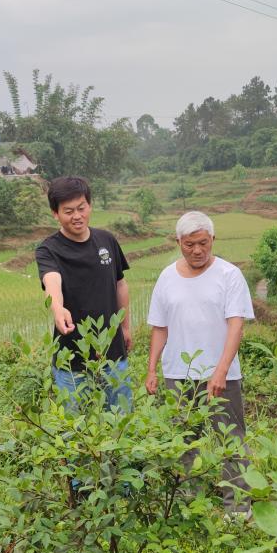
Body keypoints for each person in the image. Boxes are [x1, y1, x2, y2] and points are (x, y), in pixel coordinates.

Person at [146, 211, 255, 508]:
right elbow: (160, 327)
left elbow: (236, 325)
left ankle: (237, 506)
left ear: (213, 240)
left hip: (222, 377)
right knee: (183, 440)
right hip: (178, 376)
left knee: (230, 438)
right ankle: (186, 502)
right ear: (178, 241)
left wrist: (219, 371)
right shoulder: (167, 276)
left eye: (203, 243)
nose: (197, 250)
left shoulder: (229, 275)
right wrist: (152, 369)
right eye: (190, 244)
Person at [35, 176, 133, 409]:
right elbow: (52, 280)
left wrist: (126, 327)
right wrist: (57, 308)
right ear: (55, 213)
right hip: (70, 359)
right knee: (72, 426)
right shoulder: (49, 250)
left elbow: (120, 284)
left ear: (89, 205)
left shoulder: (107, 240)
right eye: (68, 211)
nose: (77, 216)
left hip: (113, 352)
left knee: (121, 419)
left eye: (81, 208)